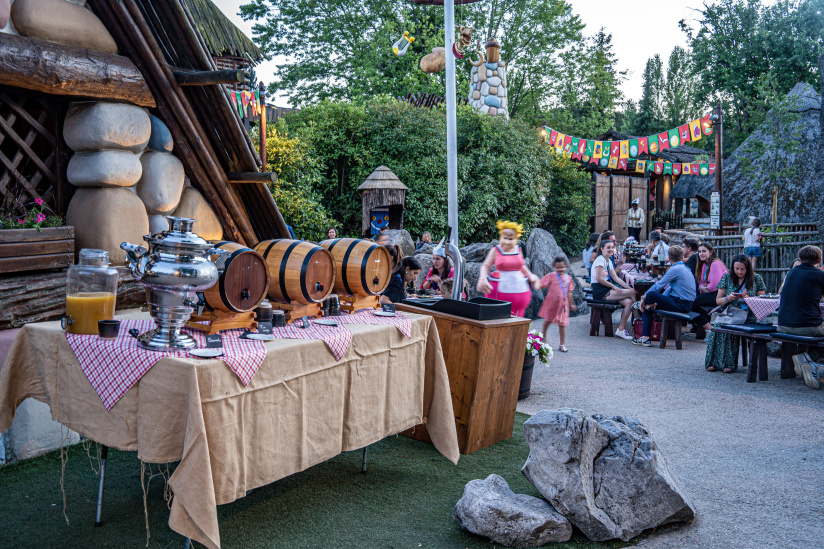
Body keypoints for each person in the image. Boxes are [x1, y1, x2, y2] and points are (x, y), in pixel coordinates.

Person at [704, 255, 766, 373]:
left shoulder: (756, 278)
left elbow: (761, 301)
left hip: (749, 315)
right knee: (717, 327)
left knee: (732, 328)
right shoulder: (727, 277)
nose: (739, 272)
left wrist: (747, 298)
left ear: (748, 269)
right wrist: (729, 298)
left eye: (742, 269)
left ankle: (728, 363)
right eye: (736, 269)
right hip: (731, 312)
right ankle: (713, 362)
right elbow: (718, 301)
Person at [777, 245, 824, 389]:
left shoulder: (791, 273)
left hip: (782, 325)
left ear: (800, 259)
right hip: (807, 327)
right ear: (820, 260)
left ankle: (807, 359)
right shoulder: (819, 275)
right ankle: (812, 362)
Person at [632, 246, 697, 347]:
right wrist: (657, 302)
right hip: (685, 303)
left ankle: (645, 337)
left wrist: (643, 297)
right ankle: (649, 309)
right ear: (682, 257)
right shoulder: (685, 268)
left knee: (650, 295)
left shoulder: (675, 269)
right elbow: (670, 288)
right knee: (649, 302)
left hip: (681, 304)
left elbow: (658, 285)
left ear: (669, 258)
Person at [477, 221, 540, 317]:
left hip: (520, 291)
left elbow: (521, 265)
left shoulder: (518, 250)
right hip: (500, 292)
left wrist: (530, 275)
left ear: (516, 238)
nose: (506, 241)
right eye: (504, 237)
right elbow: (486, 266)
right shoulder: (496, 250)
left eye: (510, 238)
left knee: (517, 321)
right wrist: (482, 278)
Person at [590, 239, 635, 339]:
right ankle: (640, 319)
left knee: (628, 302)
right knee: (633, 293)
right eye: (608, 247)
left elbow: (615, 278)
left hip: (606, 288)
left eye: (612, 247)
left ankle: (621, 329)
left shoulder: (608, 260)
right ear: (602, 249)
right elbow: (599, 278)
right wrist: (614, 287)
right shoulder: (600, 260)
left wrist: (629, 288)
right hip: (600, 290)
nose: (611, 249)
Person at [538, 256, 577, 352]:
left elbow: (569, 292)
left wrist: (572, 304)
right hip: (552, 303)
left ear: (566, 266)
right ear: (554, 267)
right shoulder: (551, 276)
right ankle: (543, 336)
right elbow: (541, 283)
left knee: (563, 324)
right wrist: (534, 282)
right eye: (557, 267)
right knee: (548, 320)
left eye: (562, 267)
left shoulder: (568, 278)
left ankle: (562, 344)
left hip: (563, 305)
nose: (560, 269)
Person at [691, 242, 728, 335]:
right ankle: (710, 329)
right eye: (699, 252)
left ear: (711, 252)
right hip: (708, 293)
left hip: (720, 294)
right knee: (692, 303)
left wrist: (703, 289)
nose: (701, 254)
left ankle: (711, 330)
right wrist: (702, 288)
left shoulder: (715, 264)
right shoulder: (704, 264)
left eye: (704, 251)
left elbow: (715, 286)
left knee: (692, 303)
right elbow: (701, 283)